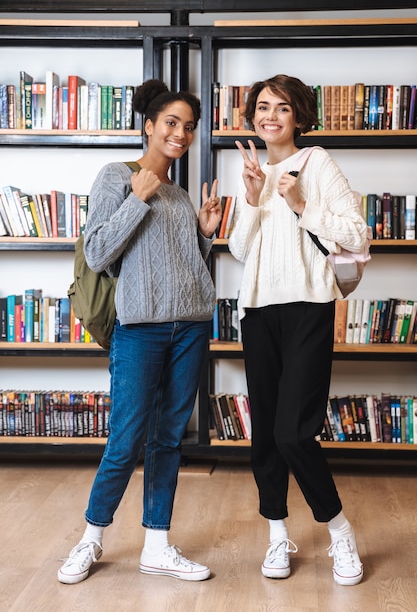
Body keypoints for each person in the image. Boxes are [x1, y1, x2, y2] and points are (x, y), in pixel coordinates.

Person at [58, 79, 222, 584]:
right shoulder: (116, 176)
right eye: (171, 123)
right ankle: (90, 540)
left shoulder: (178, 192)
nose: (180, 133)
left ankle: (157, 545)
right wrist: (137, 198)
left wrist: (205, 235)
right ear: (148, 125)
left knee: (168, 439)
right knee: (125, 440)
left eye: (189, 127)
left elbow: (183, 267)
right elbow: (100, 254)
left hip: (191, 327)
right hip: (140, 330)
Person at [228, 74, 367, 586]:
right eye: (262, 107)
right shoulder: (252, 171)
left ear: (300, 117)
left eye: (281, 108)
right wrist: (251, 196)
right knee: (265, 432)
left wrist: (301, 203)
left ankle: (339, 529)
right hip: (259, 312)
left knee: (293, 430)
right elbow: (241, 250)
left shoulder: (318, 163)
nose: (270, 116)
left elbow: (357, 232)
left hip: (309, 307)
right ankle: (277, 535)